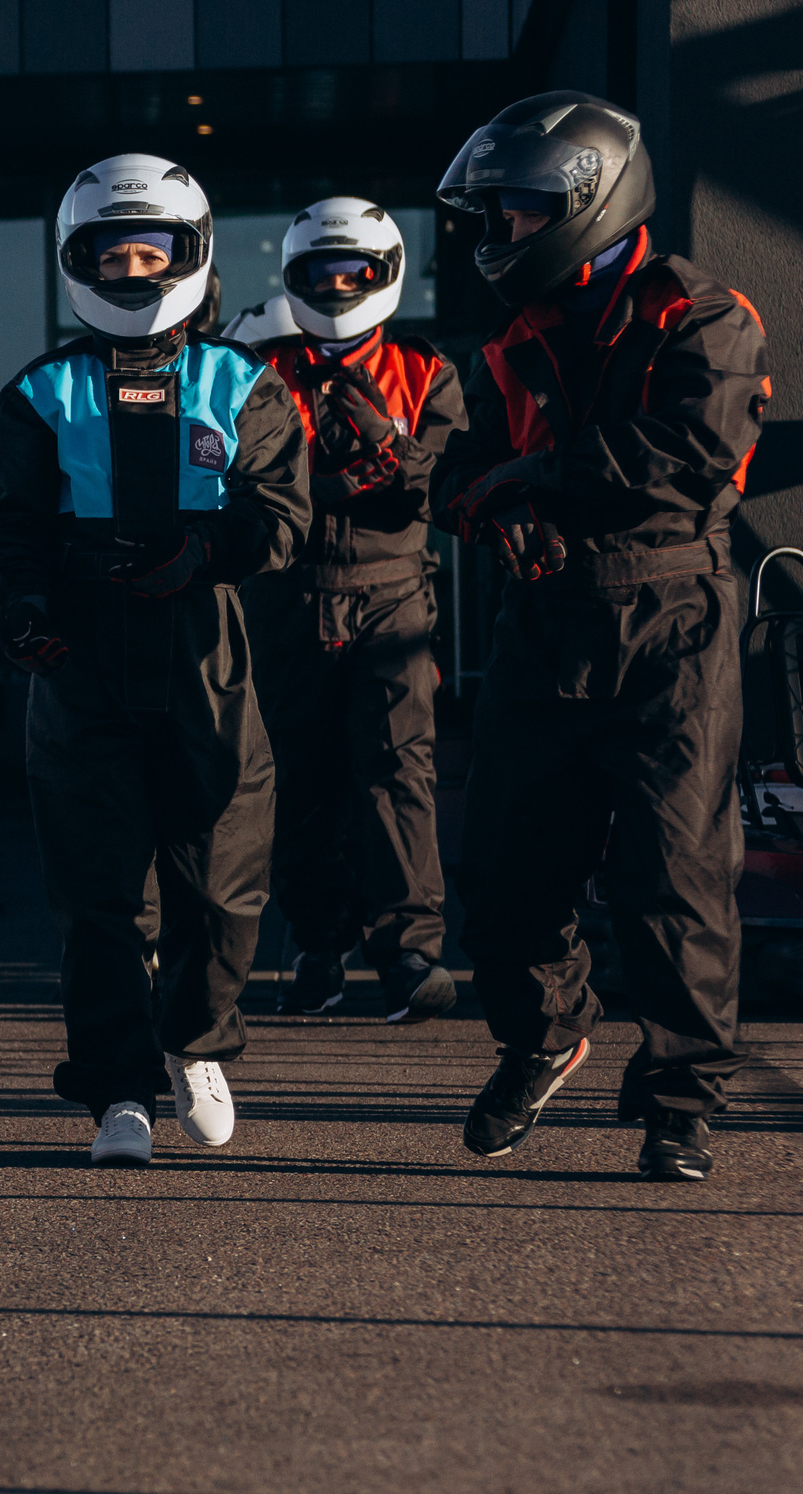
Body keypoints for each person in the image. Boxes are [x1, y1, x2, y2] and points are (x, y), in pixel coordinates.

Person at [430, 91, 766, 1181]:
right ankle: (545, 1035)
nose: (500, 234)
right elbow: (451, 474)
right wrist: (504, 509)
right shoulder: (508, 340)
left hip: (671, 619)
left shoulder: (705, 315)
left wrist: (536, 480)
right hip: (545, 620)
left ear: (585, 200)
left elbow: (686, 458)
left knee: (674, 876)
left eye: (517, 212)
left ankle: (679, 1103)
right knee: (501, 872)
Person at [0, 154, 307, 1165]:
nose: (130, 269)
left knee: (222, 881)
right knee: (99, 897)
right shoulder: (39, 391)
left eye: (150, 250)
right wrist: (26, 610)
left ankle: (194, 1042)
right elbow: (14, 530)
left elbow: (283, 518)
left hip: (204, 649)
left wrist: (206, 549)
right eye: (109, 253)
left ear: (192, 254)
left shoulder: (245, 382)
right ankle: (117, 1092)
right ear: (77, 263)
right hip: (80, 661)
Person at [240, 198, 465, 1023]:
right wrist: (326, 480)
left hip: (391, 592)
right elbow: (236, 478)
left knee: (399, 771)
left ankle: (410, 950)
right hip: (288, 594)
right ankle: (317, 945)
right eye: (320, 275)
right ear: (294, 280)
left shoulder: (426, 369)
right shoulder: (259, 366)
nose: (337, 288)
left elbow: (452, 486)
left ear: (385, 273)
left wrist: (387, 446)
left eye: (355, 273)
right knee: (299, 777)